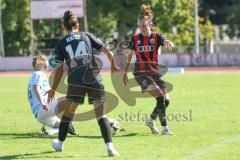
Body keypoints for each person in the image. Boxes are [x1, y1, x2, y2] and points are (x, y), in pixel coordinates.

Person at [48, 10, 120, 156]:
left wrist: (53, 89)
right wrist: (113, 66)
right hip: (94, 78)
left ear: (64, 26)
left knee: (68, 115)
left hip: (75, 82)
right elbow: (109, 53)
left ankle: (60, 144)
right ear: (77, 24)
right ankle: (110, 147)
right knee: (102, 116)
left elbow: (59, 70)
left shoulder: (61, 43)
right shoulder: (87, 35)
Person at [123, 4, 175, 135]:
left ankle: (150, 120)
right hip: (141, 74)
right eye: (140, 27)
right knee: (160, 97)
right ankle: (165, 129)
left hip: (155, 72)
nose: (142, 29)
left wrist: (169, 42)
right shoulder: (135, 39)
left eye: (144, 26)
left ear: (150, 24)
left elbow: (165, 40)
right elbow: (129, 56)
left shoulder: (156, 36)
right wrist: (124, 72)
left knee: (166, 100)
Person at [27, 54, 78, 136]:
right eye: (45, 66)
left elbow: (44, 93)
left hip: (40, 116)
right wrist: (43, 103)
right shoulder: (38, 74)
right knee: (73, 100)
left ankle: (51, 132)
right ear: (39, 65)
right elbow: (36, 88)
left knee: (63, 126)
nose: (47, 68)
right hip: (43, 109)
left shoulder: (35, 75)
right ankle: (69, 125)